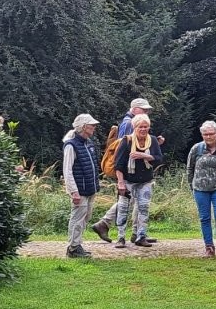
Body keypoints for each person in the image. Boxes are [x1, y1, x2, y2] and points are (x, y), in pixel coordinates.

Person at [92, 97, 163, 244]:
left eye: (147, 111)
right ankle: (107, 224)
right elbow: (122, 147)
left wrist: (152, 147)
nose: (146, 112)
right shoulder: (128, 125)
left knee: (139, 203)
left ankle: (137, 233)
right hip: (128, 172)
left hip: (142, 175)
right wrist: (120, 179)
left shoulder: (145, 131)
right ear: (135, 109)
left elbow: (155, 155)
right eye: (144, 110)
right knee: (127, 202)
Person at [112, 113, 163, 248]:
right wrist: (120, 183)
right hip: (128, 180)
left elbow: (159, 158)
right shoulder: (127, 141)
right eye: (140, 127)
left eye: (146, 127)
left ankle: (141, 236)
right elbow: (118, 164)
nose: (143, 129)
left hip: (145, 180)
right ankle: (121, 237)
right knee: (123, 208)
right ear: (135, 127)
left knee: (144, 208)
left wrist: (144, 155)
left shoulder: (152, 140)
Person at [187, 120, 216, 257]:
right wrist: (192, 185)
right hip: (200, 188)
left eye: (211, 134)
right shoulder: (196, 149)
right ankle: (209, 246)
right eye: (205, 134)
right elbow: (190, 168)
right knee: (204, 217)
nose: (208, 137)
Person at [62, 114, 101, 259]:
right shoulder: (71, 145)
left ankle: (77, 244)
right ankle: (73, 248)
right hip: (79, 190)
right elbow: (67, 171)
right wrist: (73, 191)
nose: (94, 127)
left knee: (85, 217)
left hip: (89, 189)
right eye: (92, 125)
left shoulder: (88, 143)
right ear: (84, 127)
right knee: (77, 219)